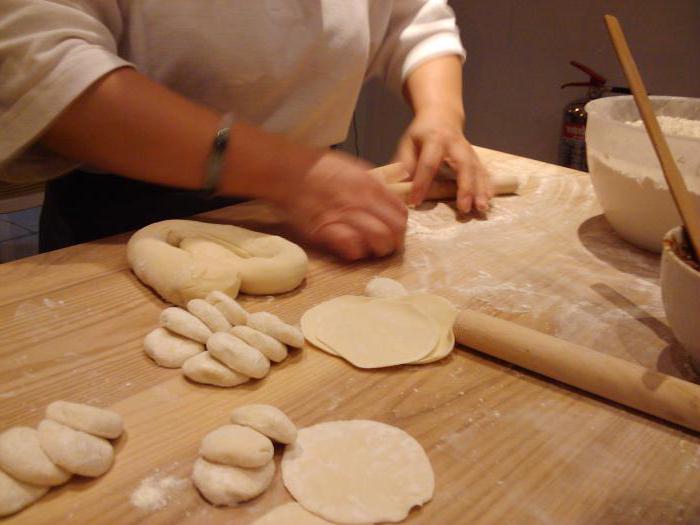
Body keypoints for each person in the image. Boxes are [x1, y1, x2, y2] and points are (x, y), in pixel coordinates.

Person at [0, 1, 492, 260]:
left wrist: (440, 112)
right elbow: (42, 66)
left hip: (321, 214)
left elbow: (414, 17)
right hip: (123, 219)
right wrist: (289, 175)